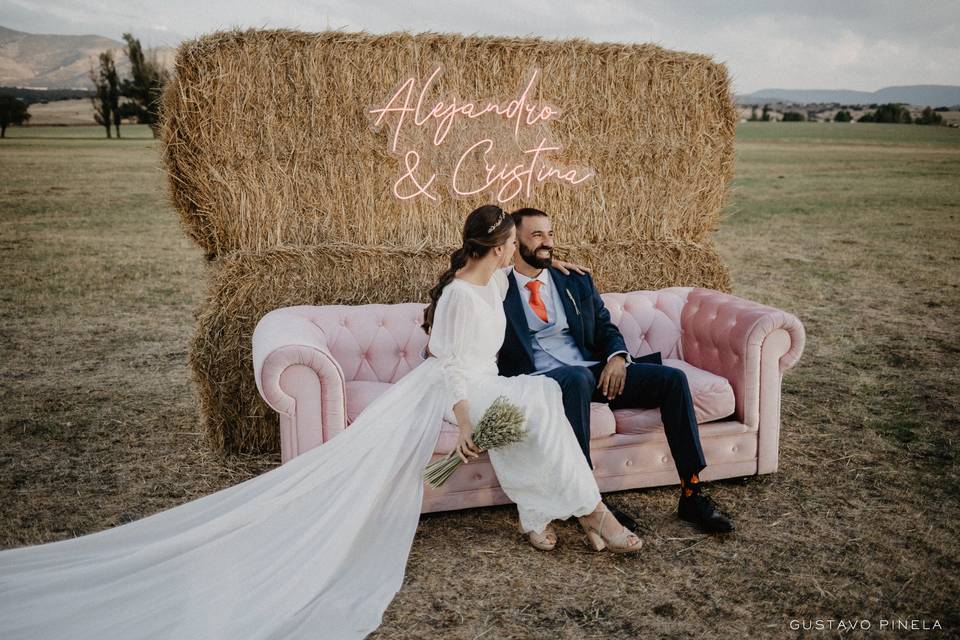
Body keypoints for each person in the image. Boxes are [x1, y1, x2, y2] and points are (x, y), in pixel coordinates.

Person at [0, 204, 638, 640]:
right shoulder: (457, 299)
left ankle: (540, 514)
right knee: (544, 402)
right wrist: (467, 421)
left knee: (545, 401)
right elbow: (446, 367)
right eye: (511, 246)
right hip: (456, 392)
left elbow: (536, 273)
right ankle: (592, 515)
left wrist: (567, 268)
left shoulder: (495, 282)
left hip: (488, 384)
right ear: (497, 246)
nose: (515, 254)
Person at [497, 207, 735, 534]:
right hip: (541, 383)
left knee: (672, 379)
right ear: (514, 241)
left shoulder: (576, 281)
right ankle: (589, 502)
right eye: (537, 235)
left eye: (550, 234)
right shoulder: (497, 288)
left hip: (593, 373)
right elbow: (461, 274)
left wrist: (617, 358)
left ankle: (692, 494)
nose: (547, 242)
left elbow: (606, 328)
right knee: (577, 379)